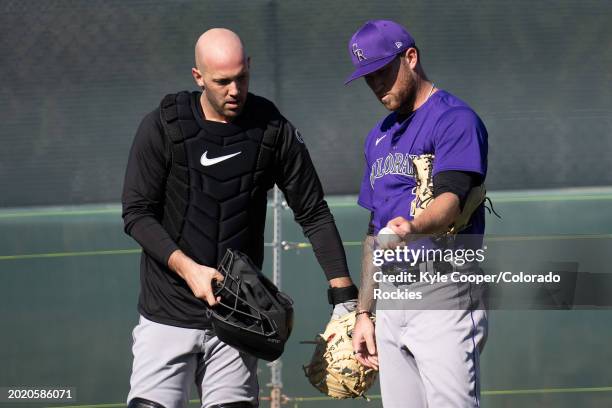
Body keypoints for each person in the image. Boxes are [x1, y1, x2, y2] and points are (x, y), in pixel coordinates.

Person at [121, 28, 358, 408]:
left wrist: (346, 299)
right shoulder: (164, 125)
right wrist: (189, 269)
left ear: (249, 67)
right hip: (167, 313)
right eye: (222, 81)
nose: (234, 90)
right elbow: (136, 213)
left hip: (238, 318)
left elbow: (312, 211)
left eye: (242, 77)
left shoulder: (271, 129)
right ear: (198, 77)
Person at [345, 20, 489, 408]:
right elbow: (375, 229)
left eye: (381, 72)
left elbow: (451, 201)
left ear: (410, 58)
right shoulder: (377, 136)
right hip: (391, 295)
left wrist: (414, 225)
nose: (376, 85)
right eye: (367, 77)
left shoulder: (453, 119)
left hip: (443, 289)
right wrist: (364, 312)